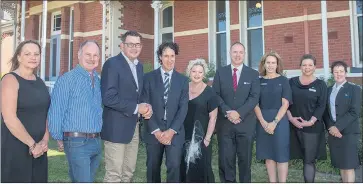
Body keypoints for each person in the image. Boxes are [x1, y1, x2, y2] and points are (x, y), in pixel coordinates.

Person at [48, 40, 103, 182]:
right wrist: (58, 137)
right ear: (79, 55)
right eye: (88, 54)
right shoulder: (67, 79)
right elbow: (56, 110)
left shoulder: (97, 80)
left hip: (96, 141)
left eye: (95, 55)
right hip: (77, 141)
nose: (92, 58)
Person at [101, 30, 152, 182]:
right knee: (114, 175)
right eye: (130, 44)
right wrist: (137, 108)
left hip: (133, 128)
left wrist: (146, 107)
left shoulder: (139, 66)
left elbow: (138, 94)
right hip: (116, 129)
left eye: (137, 44)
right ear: (122, 46)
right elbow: (108, 98)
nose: (134, 48)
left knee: (128, 173)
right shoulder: (112, 64)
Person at [1, 40, 50, 182]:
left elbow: (44, 114)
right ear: (19, 57)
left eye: (36, 54)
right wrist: (32, 144)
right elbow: (9, 118)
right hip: (16, 146)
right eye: (27, 54)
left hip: (39, 149)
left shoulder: (40, 82)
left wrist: (44, 141)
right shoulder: (10, 80)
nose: (33, 57)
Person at [212, 42, 260, 182]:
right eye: (235, 52)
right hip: (225, 125)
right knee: (226, 161)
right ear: (230, 53)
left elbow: (254, 97)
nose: (237, 55)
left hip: (245, 124)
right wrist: (228, 111)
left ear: (244, 54)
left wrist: (239, 113)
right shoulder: (221, 72)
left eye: (240, 52)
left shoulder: (253, 74)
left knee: (245, 161)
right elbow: (215, 95)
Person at [141, 42, 189, 182]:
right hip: (153, 132)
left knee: (174, 166)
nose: (170, 59)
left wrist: (171, 131)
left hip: (175, 132)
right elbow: (145, 106)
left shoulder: (183, 81)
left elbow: (183, 108)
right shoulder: (148, 78)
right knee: (152, 168)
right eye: (166, 56)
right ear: (160, 57)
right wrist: (156, 131)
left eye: (172, 56)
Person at [287, 54, 327, 183]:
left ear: (315, 67)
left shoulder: (321, 85)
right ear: (300, 66)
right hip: (292, 126)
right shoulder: (291, 82)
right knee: (285, 157)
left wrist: (310, 122)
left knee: (309, 160)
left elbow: (321, 106)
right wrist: (291, 118)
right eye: (304, 65)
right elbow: (284, 102)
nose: (307, 68)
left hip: (312, 128)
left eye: (310, 65)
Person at [254, 51, 292, 182]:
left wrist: (274, 123)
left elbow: (285, 103)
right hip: (262, 120)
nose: (270, 65)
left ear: (277, 65)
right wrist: (264, 123)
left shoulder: (284, 80)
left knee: (281, 155)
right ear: (263, 64)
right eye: (268, 62)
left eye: (273, 63)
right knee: (268, 155)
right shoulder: (258, 81)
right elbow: (255, 104)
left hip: (280, 121)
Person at [179, 58, 219, 182]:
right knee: (182, 165)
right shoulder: (183, 89)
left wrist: (207, 138)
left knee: (201, 166)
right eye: (194, 71)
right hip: (182, 135)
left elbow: (213, 117)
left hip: (201, 138)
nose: (197, 74)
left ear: (204, 74)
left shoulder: (210, 92)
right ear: (189, 72)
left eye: (200, 72)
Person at [323, 61, 362, 182]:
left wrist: (337, 127)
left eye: (341, 71)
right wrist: (331, 128)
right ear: (332, 73)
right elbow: (325, 112)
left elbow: (354, 112)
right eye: (336, 71)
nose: (338, 74)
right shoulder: (328, 90)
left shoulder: (354, 89)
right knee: (341, 164)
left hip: (349, 132)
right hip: (334, 133)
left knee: (348, 165)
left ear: (345, 72)